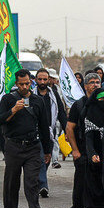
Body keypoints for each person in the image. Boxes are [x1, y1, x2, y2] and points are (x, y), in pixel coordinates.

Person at [0, 69, 52, 208]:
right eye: (21, 84)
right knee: (11, 182)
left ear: (31, 82)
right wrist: (13, 110)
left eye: (27, 83)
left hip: (33, 147)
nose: (24, 86)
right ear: (16, 83)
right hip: (13, 146)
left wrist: (47, 151)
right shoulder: (8, 99)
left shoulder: (37, 101)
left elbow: (43, 126)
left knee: (32, 182)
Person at [66, 72, 101, 208]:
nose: (95, 85)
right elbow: (70, 128)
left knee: (101, 184)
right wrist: (75, 150)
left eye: (97, 82)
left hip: (101, 152)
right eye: (92, 82)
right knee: (81, 184)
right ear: (85, 86)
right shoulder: (79, 105)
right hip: (83, 151)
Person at [33, 68, 68, 198]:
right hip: (35, 132)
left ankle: (39, 180)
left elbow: (61, 113)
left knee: (46, 159)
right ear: (36, 80)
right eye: (40, 79)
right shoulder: (32, 95)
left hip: (50, 131)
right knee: (41, 158)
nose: (42, 81)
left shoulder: (53, 95)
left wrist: (67, 129)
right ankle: (43, 185)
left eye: (45, 79)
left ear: (49, 80)